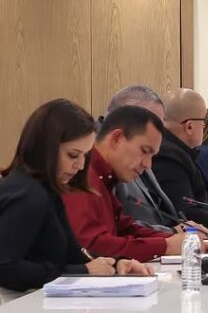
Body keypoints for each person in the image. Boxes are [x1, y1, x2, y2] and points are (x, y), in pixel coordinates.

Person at [0, 100, 149, 291]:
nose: (79, 166)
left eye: (84, 157)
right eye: (72, 155)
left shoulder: (48, 190)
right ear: (46, 148)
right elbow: (6, 268)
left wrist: (115, 264)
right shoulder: (29, 195)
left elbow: (73, 253)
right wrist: (82, 271)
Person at [64, 106, 208, 260]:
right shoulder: (81, 175)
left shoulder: (106, 177)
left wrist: (173, 237)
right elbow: (92, 246)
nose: (148, 165)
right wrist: (165, 246)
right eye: (145, 151)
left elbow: (126, 229)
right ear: (117, 138)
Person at [151, 88, 208, 232]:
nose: (204, 126)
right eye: (204, 121)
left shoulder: (177, 151)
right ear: (189, 126)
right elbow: (188, 215)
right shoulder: (168, 157)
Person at [105, 85, 179, 230]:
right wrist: (168, 234)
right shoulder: (100, 155)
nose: (157, 132)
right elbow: (117, 229)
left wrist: (182, 228)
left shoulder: (144, 151)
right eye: (152, 123)